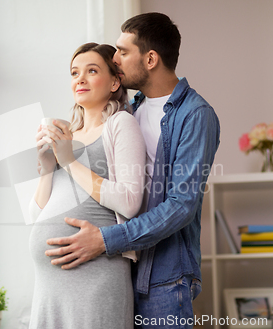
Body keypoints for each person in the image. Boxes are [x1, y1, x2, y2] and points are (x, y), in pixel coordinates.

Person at [44, 12, 221, 328]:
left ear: (150, 59)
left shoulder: (195, 115)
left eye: (123, 52)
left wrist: (106, 240)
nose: (115, 58)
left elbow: (181, 206)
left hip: (165, 278)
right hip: (124, 270)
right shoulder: (131, 110)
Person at [28, 42, 147, 329]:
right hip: (48, 288)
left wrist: (69, 161)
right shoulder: (68, 133)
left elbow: (131, 201)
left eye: (91, 71)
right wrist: (47, 168)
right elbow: (36, 219)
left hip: (96, 278)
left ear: (115, 81)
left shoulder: (121, 124)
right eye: (74, 73)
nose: (79, 79)